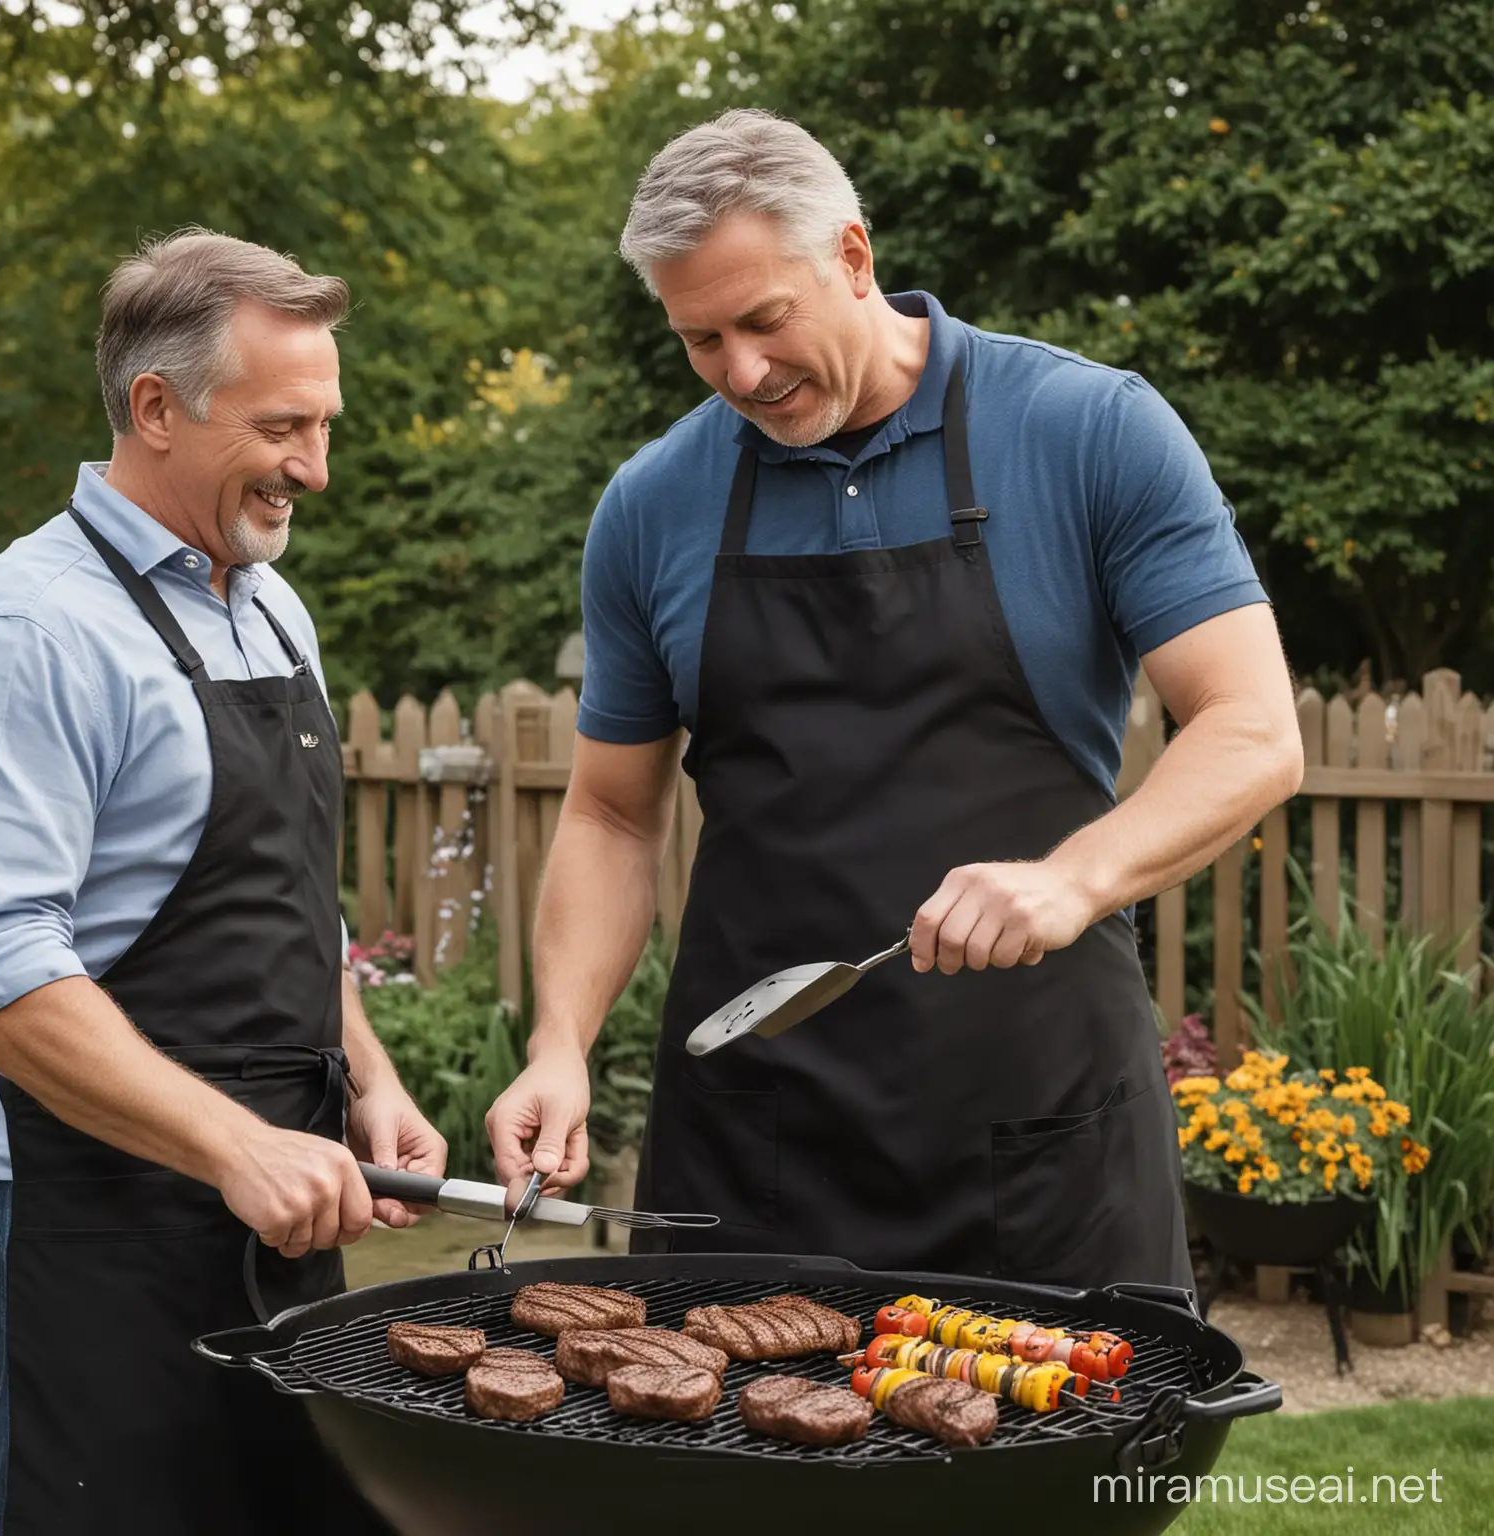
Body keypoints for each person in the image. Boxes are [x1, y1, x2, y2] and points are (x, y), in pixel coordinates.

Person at [485, 110, 1304, 1293]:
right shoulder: (653, 502)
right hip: (754, 1137)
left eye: (765, 321)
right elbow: (613, 815)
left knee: (1057, 1476)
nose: (743, 374)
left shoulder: (1088, 431)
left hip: (1037, 1121)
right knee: (727, 1476)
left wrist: (1071, 877)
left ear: (854, 258)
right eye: (699, 340)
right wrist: (560, 1043)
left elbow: (1253, 729)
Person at [0, 229, 443, 1534]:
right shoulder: (31, 626)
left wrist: (372, 1078)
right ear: (156, 409)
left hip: (281, 1209)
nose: (317, 468)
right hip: (96, 1228)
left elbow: (289, 892)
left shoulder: (274, 609)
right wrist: (231, 1143)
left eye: (327, 423)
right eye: (285, 425)